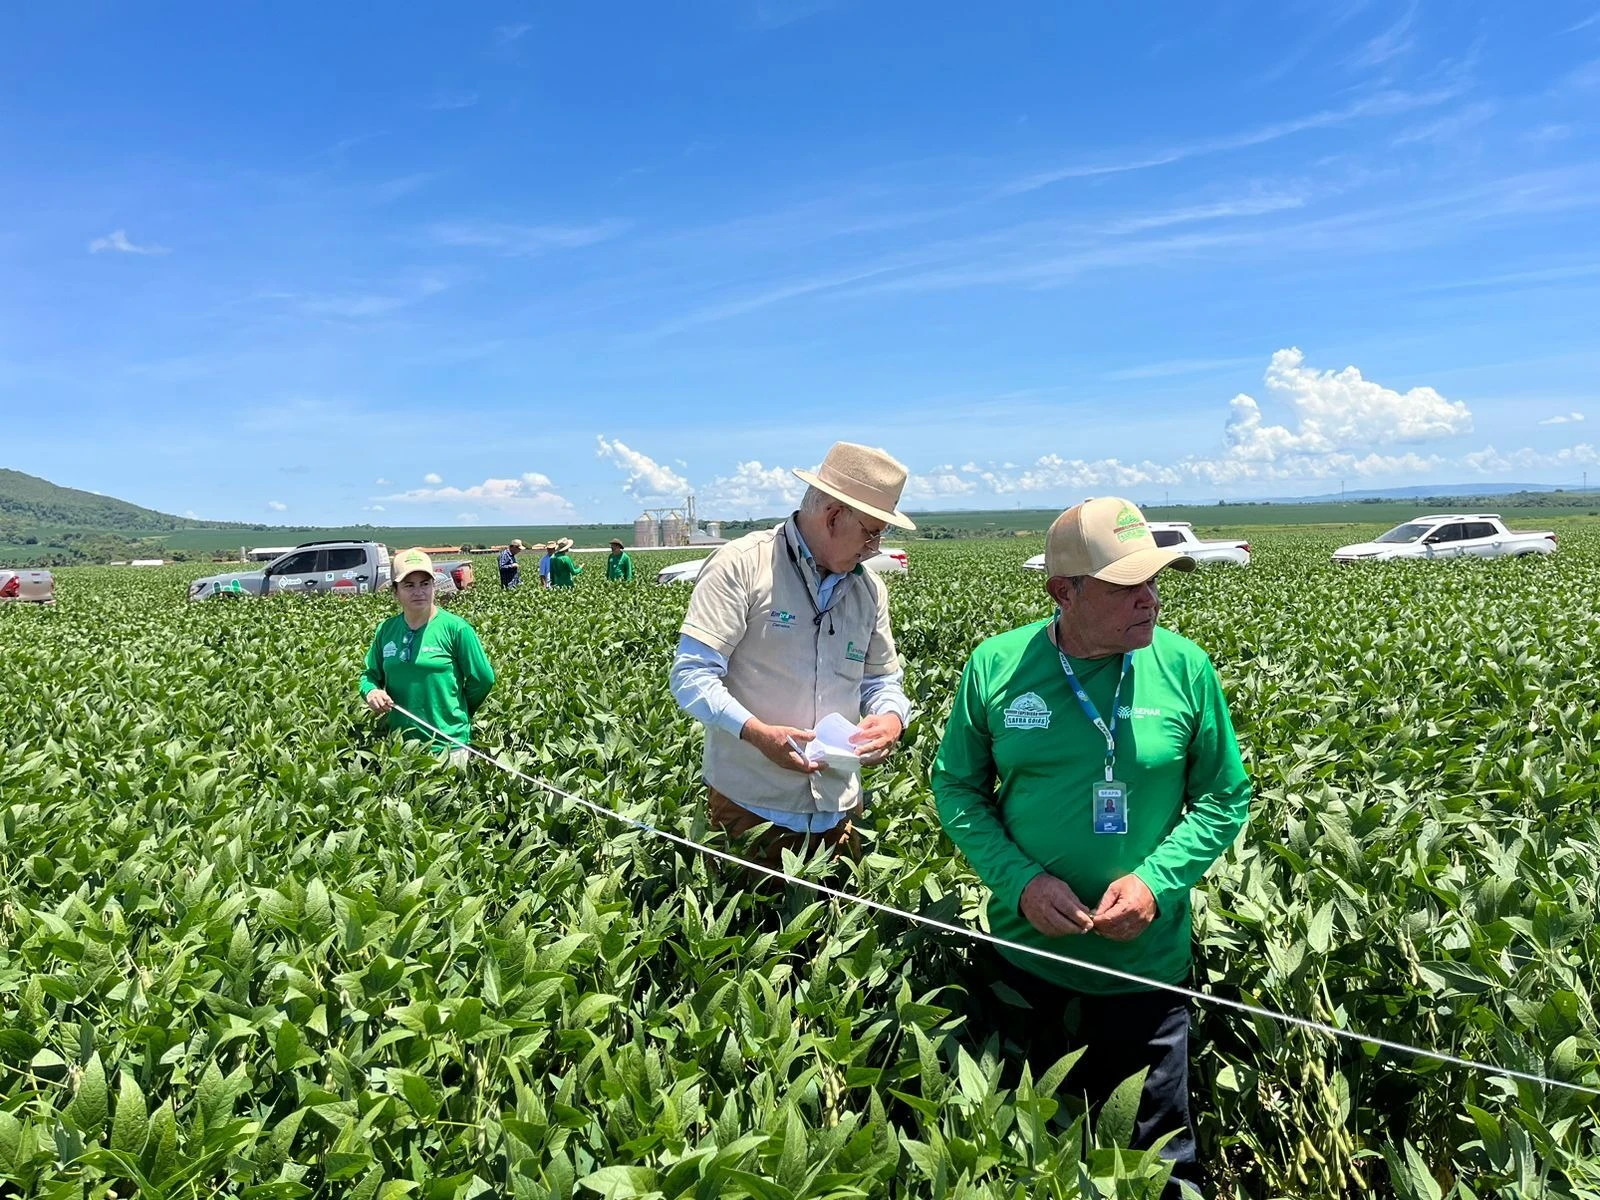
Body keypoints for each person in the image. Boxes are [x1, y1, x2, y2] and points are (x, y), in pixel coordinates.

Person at [931, 497, 1250, 1198]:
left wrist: (1156, 882)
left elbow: (1227, 795)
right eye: (1125, 586)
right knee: (1032, 1159)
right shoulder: (997, 667)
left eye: (1155, 581)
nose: (1150, 600)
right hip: (1027, 968)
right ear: (1062, 592)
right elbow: (956, 787)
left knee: (1160, 1168)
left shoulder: (1186, 668)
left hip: (1147, 977)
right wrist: (1018, 881)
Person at [669, 441, 914, 867]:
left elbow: (882, 680)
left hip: (839, 811)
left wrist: (892, 718)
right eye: (872, 531)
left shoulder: (869, 590)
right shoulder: (742, 565)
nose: (875, 547)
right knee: (750, 929)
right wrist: (756, 732)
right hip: (751, 808)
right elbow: (691, 676)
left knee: (832, 930)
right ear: (834, 516)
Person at [360, 548, 496, 766]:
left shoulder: (456, 628)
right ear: (395, 591)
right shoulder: (387, 630)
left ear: (434, 586)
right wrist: (372, 691)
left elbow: (483, 679)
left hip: (448, 745)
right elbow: (369, 675)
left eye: (425, 583)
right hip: (401, 744)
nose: (419, 592)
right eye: (409, 585)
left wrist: (457, 710)